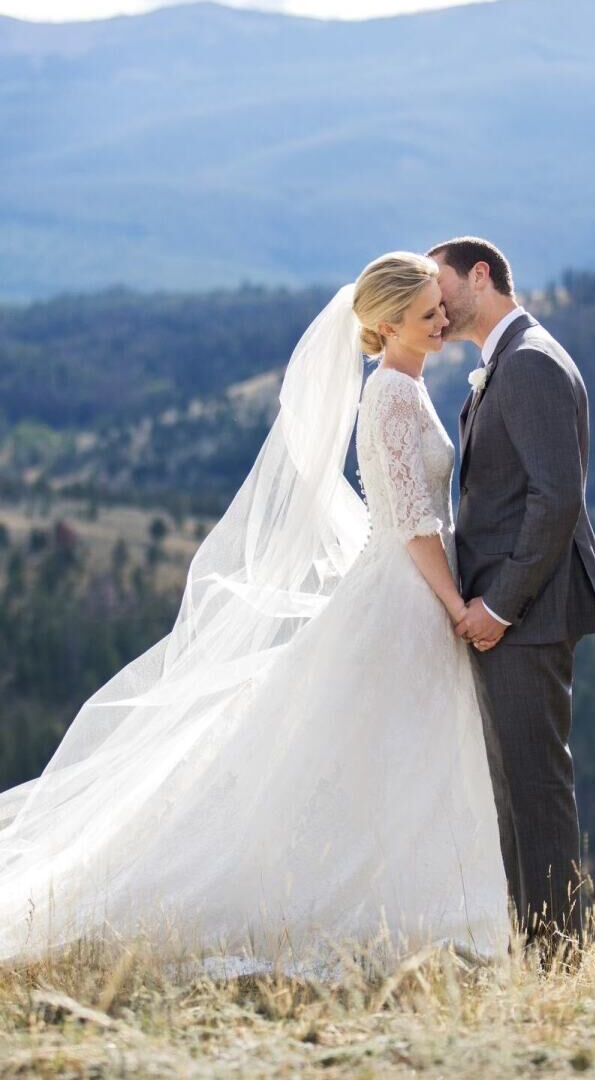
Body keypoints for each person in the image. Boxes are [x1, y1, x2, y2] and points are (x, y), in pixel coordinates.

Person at [0, 251, 511, 978]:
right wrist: (456, 601)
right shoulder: (394, 396)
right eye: (428, 310)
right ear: (389, 322)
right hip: (406, 593)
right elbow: (409, 522)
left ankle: (421, 906)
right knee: (394, 750)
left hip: (408, 592)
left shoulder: (403, 385)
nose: (443, 318)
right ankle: (391, 909)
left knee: (395, 752)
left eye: (440, 306)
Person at [428, 236, 595, 958]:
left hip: (528, 618)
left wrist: (500, 606)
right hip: (511, 616)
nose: (436, 303)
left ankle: (555, 959)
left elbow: (556, 500)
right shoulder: (506, 361)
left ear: (481, 275)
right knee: (515, 789)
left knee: (536, 789)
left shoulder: (532, 361)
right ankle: (533, 949)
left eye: (442, 285)